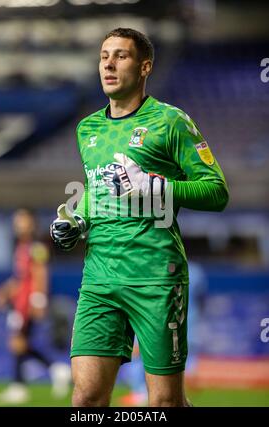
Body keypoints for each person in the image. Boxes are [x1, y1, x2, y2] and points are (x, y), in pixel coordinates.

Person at [50, 27, 229, 407]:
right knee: (85, 399)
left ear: (145, 66)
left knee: (164, 403)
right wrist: (77, 219)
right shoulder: (88, 129)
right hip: (99, 278)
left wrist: (156, 187)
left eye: (121, 56)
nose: (109, 64)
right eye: (103, 56)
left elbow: (217, 192)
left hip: (156, 278)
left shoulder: (171, 122)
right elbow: (95, 191)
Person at [0, 209, 70, 405]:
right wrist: (4, 291)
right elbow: (20, 279)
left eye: (22, 220)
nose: (18, 224)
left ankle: (28, 383)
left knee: (17, 342)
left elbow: (41, 272)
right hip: (20, 302)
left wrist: (38, 299)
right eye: (16, 221)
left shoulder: (37, 245)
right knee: (18, 343)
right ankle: (47, 373)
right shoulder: (21, 247)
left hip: (27, 304)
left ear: (32, 223)